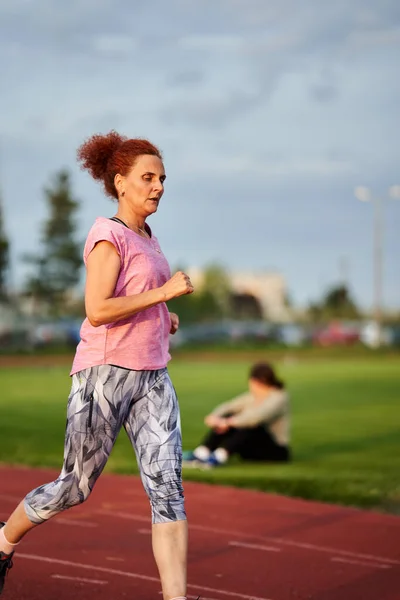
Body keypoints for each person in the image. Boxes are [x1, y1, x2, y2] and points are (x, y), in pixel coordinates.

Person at [0, 131, 195, 600]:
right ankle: (2, 541)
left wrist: (162, 316)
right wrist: (164, 294)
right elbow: (98, 309)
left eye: (162, 178)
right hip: (104, 375)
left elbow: (135, 299)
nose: (159, 186)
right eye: (148, 178)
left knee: (168, 491)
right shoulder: (107, 235)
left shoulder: (150, 239)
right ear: (120, 182)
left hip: (153, 376)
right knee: (75, 487)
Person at [183, 362, 291, 468]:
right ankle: (202, 452)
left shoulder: (278, 397)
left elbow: (256, 418)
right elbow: (228, 406)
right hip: (252, 449)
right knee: (230, 416)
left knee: (249, 425)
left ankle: (219, 456)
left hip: (274, 451)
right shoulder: (253, 397)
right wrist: (215, 417)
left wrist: (228, 423)